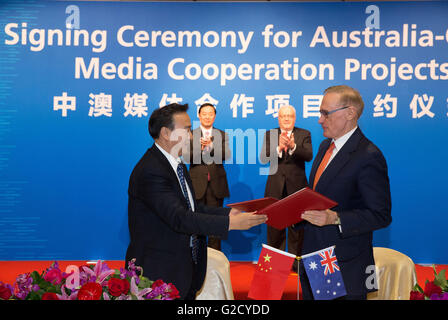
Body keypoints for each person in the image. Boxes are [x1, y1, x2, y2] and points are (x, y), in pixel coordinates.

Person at [125, 103, 267, 300]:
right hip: (159, 273)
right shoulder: (152, 170)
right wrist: (230, 224)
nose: (191, 136)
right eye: (186, 130)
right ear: (166, 133)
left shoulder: (176, 164)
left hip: (182, 268)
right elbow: (179, 218)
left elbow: (192, 207)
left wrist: (228, 214)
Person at [298, 85, 392, 300]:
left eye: (325, 113)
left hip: (345, 266)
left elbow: (381, 215)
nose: (320, 120)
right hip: (315, 258)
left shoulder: (369, 155)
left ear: (350, 113)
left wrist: (336, 218)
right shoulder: (324, 147)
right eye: (319, 113)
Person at [260, 105, 313, 270]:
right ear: (278, 118)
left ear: (294, 118)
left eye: (290, 116)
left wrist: (293, 146)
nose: (287, 119)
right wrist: (278, 148)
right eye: (283, 116)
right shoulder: (270, 134)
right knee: (275, 227)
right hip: (275, 187)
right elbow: (263, 158)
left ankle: (297, 265)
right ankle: (276, 264)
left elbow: (308, 155)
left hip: (297, 188)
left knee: (297, 228)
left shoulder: (304, 134)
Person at [183, 103, 231, 251]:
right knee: (196, 222)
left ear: (214, 116)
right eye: (204, 113)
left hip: (216, 186)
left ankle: (214, 259)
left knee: (216, 224)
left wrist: (211, 146)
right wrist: (200, 148)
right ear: (199, 115)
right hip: (196, 185)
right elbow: (186, 157)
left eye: (211, 113)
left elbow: (226, 155)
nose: (207, 116)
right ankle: (196, 257)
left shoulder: (222, 135)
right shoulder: (190, 134)